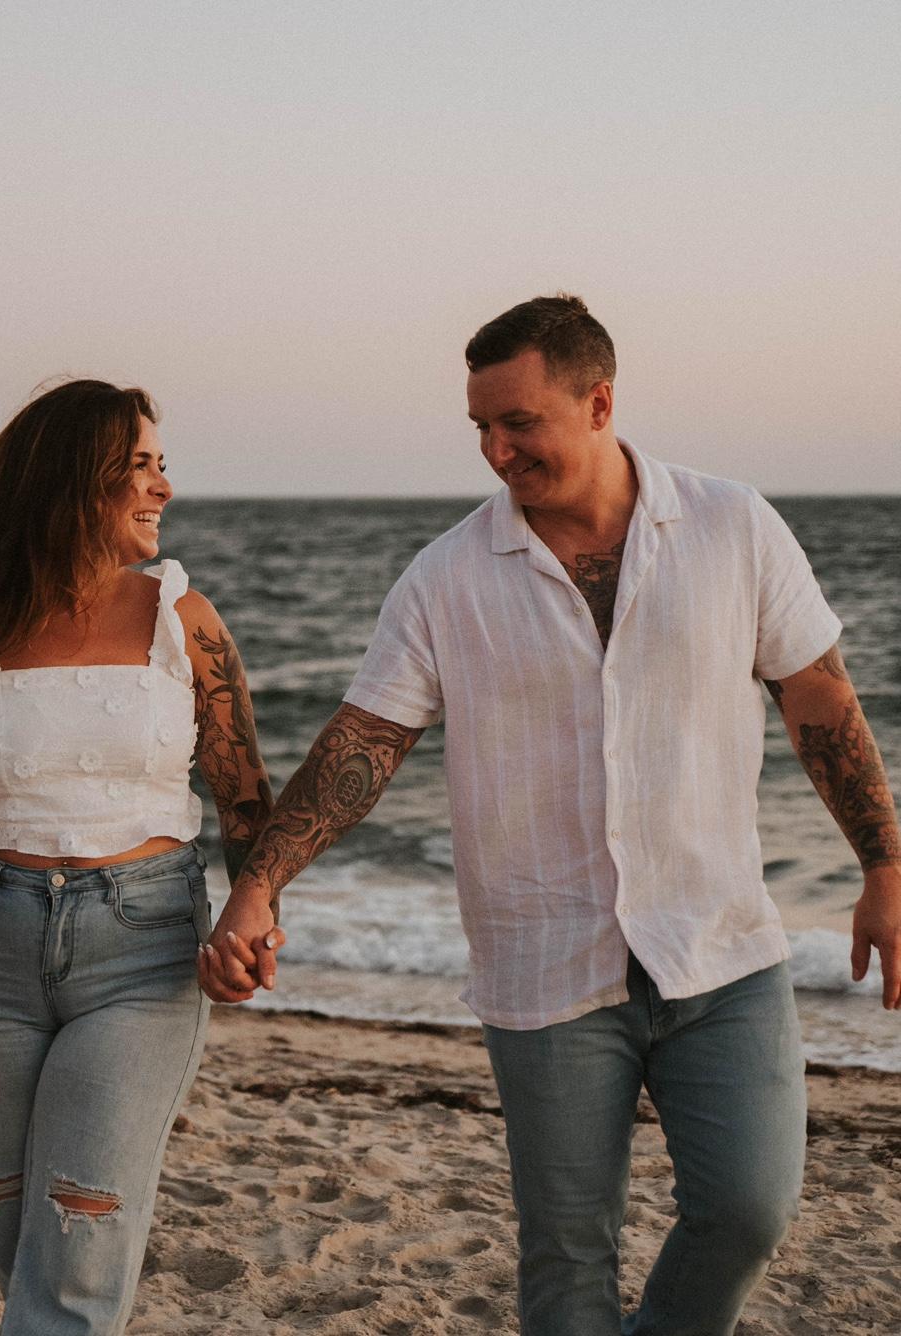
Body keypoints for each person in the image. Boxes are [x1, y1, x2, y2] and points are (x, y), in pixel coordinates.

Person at [200, 296, 901, 1335]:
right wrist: (259, 883)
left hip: (720, 947)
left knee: (749, 1209)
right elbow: (364, 743)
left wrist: (882, 867)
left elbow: (820, 698)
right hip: (543, 963)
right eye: (480, 426)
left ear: (599, 403)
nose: (495, 450)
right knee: (568, 1250)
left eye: (518, 421)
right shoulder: (446, 577)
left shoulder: (732, 525)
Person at [0, 378, 275, 1335]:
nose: (163, 486)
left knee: (74, 1254)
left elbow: (245, 800)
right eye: (138, 466)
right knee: (22, 1245)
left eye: (162, 464)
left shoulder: (184, 619)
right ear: (72, 480)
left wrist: (252, 916)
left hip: (142, 955)